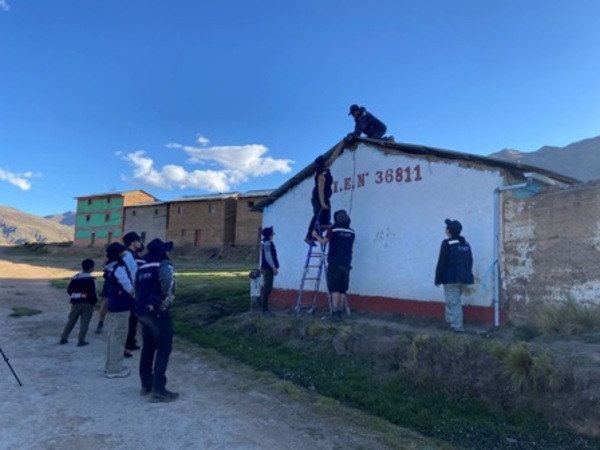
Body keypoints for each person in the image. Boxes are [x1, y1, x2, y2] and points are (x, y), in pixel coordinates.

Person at [135, 238, 178, 402]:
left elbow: (136, 287)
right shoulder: (164, 264)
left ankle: (146, 383)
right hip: (158, 310)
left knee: (148, 347)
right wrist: (167, 299)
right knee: (164, 348)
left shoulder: (142, 266)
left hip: (142, 310)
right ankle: (159, 389)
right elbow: (168, 281)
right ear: (162, 251)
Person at [313, 210, 355, 322]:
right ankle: (340, 312)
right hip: (347, 262)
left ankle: (335, 313)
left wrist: (316, 235)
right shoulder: (352, 232)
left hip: (335, 262)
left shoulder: (334, 230)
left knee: (335, 288)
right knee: (342, 289)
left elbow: (323, 242)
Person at [434, 218, 475, 333]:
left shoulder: (447, 244)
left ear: (448, 231)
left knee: (453, 302)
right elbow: (470, 260)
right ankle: (450, 321)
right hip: (463, 277)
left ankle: (457, 327)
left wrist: (438, 278)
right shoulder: (465, 244)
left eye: (446, 228)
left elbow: (442, 262)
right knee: (452, 300)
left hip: (450, 278)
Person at [102, 242, 135, 378]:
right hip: (121, 305)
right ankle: (115, 369)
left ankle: (110, 365)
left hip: (113, 304)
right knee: (119, 336)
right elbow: (128, 287)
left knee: (113, 335)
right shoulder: (118, 268)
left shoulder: (109, 268)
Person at [59, 258, 98, 346]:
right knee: (85, 323)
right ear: (91, 268)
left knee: (71, 320)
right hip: (88, 303)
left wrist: (76, 296)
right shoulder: (92, 279)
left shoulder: (75, 277)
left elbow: (69, 290)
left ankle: (63, 337)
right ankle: (81, 340)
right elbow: (94, 291)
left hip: (76, 302)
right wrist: (94, 301)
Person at [122, 231, 144, 357]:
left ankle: (130, 342)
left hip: (130, 291)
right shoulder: (128, 255)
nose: (140, 243)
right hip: (129, 292)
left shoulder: (130, 254)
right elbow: (131, 274)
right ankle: (126, 345)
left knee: (132, 320)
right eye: (138, 241)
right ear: (132, 242)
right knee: (129, 320)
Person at [305, 156, 333, 245]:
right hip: (318, 198)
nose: (327, 162)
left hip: (326, 198)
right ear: (322, 165)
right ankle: (309, 236)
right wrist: (322, 203)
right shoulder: (321, 176)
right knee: (318, 216)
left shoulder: (327, 169)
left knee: (326, 217)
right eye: (325, 161)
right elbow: (320, 191)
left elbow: (333, 158)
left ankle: (318, 233)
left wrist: (341, 145)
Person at [260, 227, 279, 314]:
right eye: (272, 233)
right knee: (267, 288)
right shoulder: (267, 243)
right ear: (269, 234)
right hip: (267, 269)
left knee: (267, 288)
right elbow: (268, 257)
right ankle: (264, 309)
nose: (273, 235)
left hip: (267, 268)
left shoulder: (267, 243)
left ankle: (264, 308)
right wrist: (273, 267)